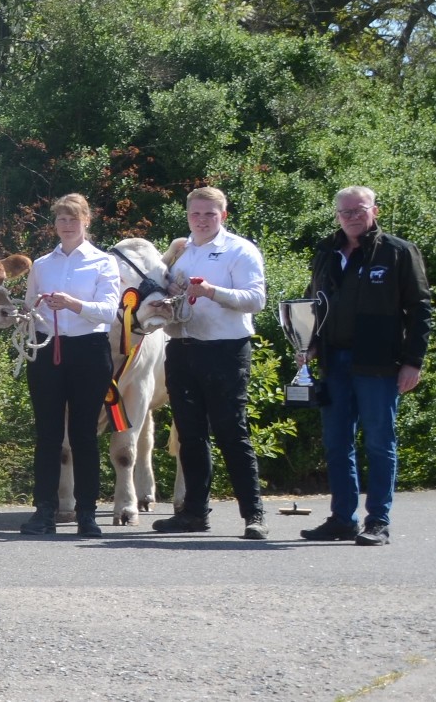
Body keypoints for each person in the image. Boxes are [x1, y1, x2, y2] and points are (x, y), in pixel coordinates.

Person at [302, 185, 429, 547]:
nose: (352, 217)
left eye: (359, 210)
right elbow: (315, 303)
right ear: (337, 215)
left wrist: (412, 362)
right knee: (337, 443)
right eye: (346, 212)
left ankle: (378, 521)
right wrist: (308, 344)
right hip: (335, 361)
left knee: (379, 442)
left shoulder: (398, 252)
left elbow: (420, 310)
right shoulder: (327, 251)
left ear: (375, 210)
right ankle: (343, 519)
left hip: (380, 364)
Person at [147, 186, 271, 539]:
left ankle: (254, 515)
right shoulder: (181, 253)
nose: (201, 221)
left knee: (233, 432)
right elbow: (173, 294)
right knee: (190, 435)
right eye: (195, 214)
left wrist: (212, 291)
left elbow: (256, 300)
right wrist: (163, 306)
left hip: (225, 350)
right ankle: (194, 513)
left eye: (209, 214)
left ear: (223, 216)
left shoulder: (239, 249)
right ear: (187, 216)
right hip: (182, 348)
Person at [20, 194, 121, 538]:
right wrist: (30, 310)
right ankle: (44, 511)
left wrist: (73, 304)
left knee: (83, 435)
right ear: (55, 223)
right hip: (49, 350)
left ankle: (87, 513)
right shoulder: (42, 264)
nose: (67, 225)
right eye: (61, 219)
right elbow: (30, 307)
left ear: (86, 222)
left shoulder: (104, 262)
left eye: (73, 219)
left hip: (89, 351)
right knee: (47, 433)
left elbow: (109, 311)